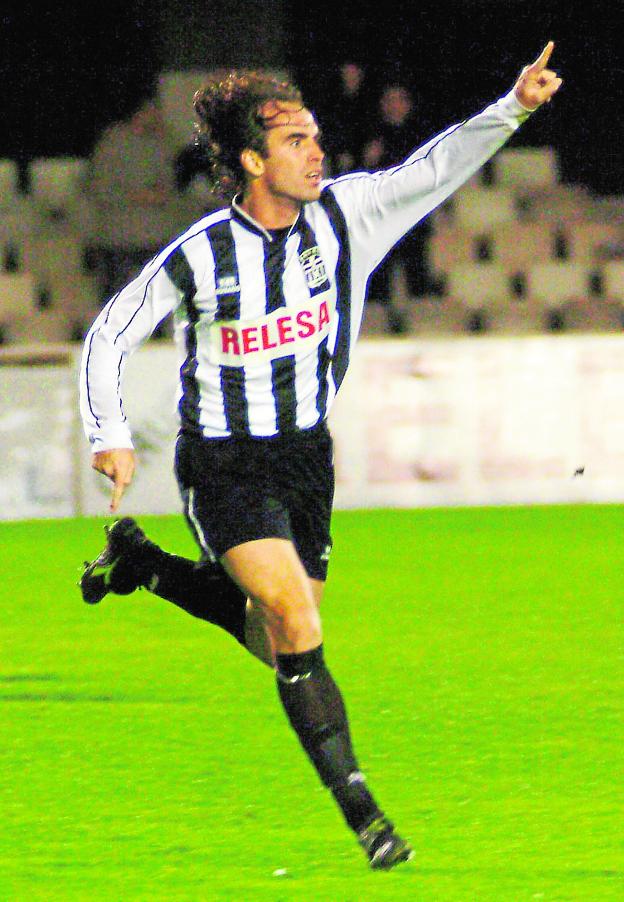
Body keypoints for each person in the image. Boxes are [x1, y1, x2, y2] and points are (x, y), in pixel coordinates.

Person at [78, 46, 562, 868]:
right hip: (224, 462)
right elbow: (111, 331)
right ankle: (367, 816)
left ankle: (146, 567)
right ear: (251, 161)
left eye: (314, 137)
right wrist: (109, 432)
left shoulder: (350, 215)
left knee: (276, 640)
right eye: (296, 140)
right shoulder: (202, 253)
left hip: (306, 459)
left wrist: (512, 106)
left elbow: (435, 167)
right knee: (300, 623)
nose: (317, 152)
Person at [85, 92, 200, 306]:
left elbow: (174, 181)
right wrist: (139, 196)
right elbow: (101, 188)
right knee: (117, 299)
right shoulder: (111, 143)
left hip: (158, 234)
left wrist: (161, 193)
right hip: (120, 236)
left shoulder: (162, 143)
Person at [363, 83, 433, 301]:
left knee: (416, 270)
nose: (393, 105)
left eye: (398, 99)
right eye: (389, 100)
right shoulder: (371, 133)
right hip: (382, 212)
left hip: (414, 210)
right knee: (379, 274)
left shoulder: (420, 133)